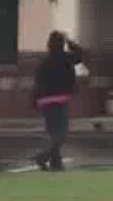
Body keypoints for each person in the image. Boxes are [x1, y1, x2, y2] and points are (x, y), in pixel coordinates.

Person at [33, 30, 89, 172]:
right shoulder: (66, 58)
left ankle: (56, 163)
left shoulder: (44, 62)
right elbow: (80, 54)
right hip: (59, 99)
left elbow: (37, 82)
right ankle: (43, 157)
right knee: (62, 134)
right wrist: (69, 41)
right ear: (62, 44)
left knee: (54, 134)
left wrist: (35, 100)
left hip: (45, 102)